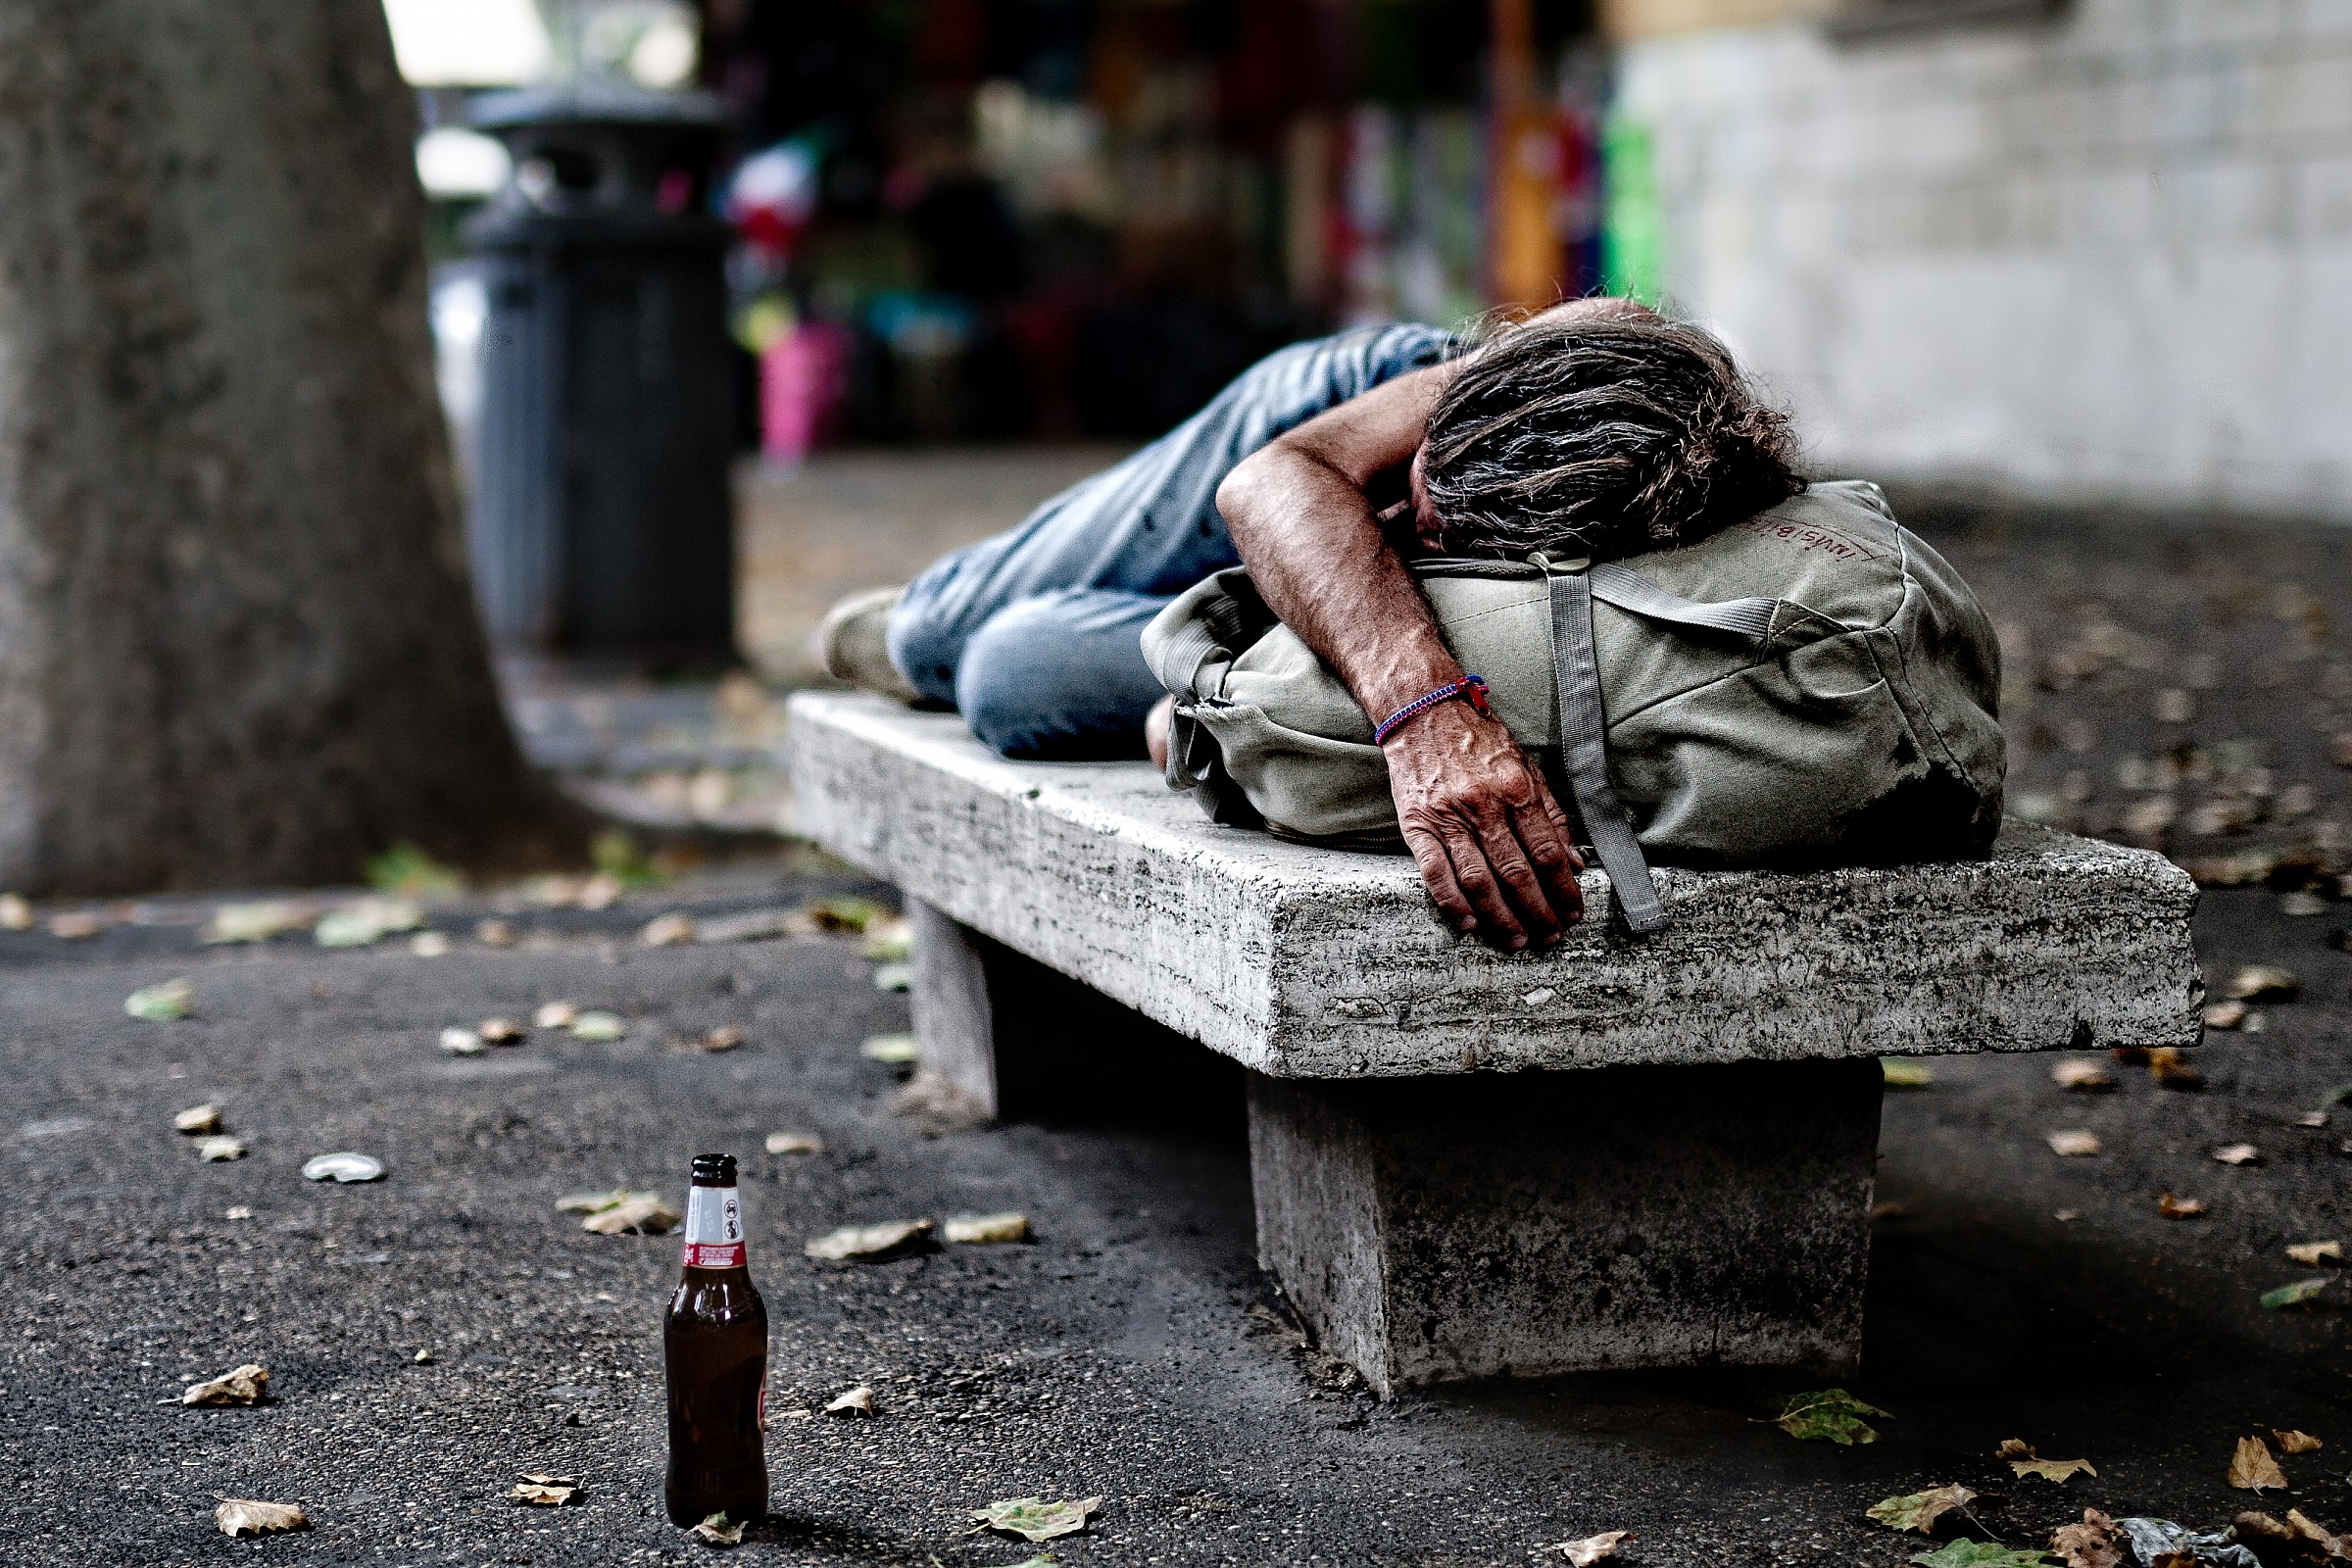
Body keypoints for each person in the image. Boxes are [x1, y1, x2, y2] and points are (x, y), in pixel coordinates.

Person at [819, 298, 1805, 952]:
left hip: (1355, 594)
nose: (1392, 528)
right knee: (938, 636)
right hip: (1305, 445)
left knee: (1009, 673)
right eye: (1416, 492)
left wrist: (1219, 729)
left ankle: (980, 643)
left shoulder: (1639, 521)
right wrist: (1425, 715)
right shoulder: (1593, 353)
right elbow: (1275, 485)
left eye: (1425, 536)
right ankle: (913, 629)